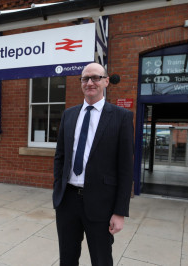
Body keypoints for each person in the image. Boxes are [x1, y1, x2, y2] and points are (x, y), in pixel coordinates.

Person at [53, 62, 134, 265]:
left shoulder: (121, 117)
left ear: (106, 81)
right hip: (68, 201)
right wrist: (58, 191)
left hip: (102, 204)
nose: (90, 82)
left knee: (101, 259)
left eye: (95, 78)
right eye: (85, 78)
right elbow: (60, 156)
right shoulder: (69, 115)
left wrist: (120, 211)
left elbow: (125, 168)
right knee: (67, 258)